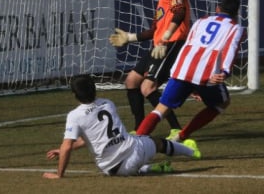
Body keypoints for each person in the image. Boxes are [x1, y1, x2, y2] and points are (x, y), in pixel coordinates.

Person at [42, 75, 200, 179]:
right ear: (94, 90)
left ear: (75, 95)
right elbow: (72, 145)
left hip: (113, 169)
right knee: (156, 142)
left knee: (134, 160)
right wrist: (62, 155)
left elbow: (74, 144)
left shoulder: (74, 116)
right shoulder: (108, 103)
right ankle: (191, 152)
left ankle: (149, 169)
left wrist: (59, 172)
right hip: (136, 151)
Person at [135, 0, 244, 143]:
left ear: (217, 8)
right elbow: (230, 49)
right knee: (222, 103)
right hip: (206, 74)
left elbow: (188, 44)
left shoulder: (201, 21)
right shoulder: (235, 28)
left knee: (161, 109)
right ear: (236, 12)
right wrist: (224, 72)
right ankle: (181, 136)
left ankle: (136, 142)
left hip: (182, 69)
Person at [109, 0, 191, 138]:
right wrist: (129, 38)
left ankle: (176, 129)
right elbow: (154, 30)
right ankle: (140, 129)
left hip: (171, 43)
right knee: (131, 81)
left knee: (148, 87)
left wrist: (166, 37)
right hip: (159, 45)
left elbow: (180, 12)